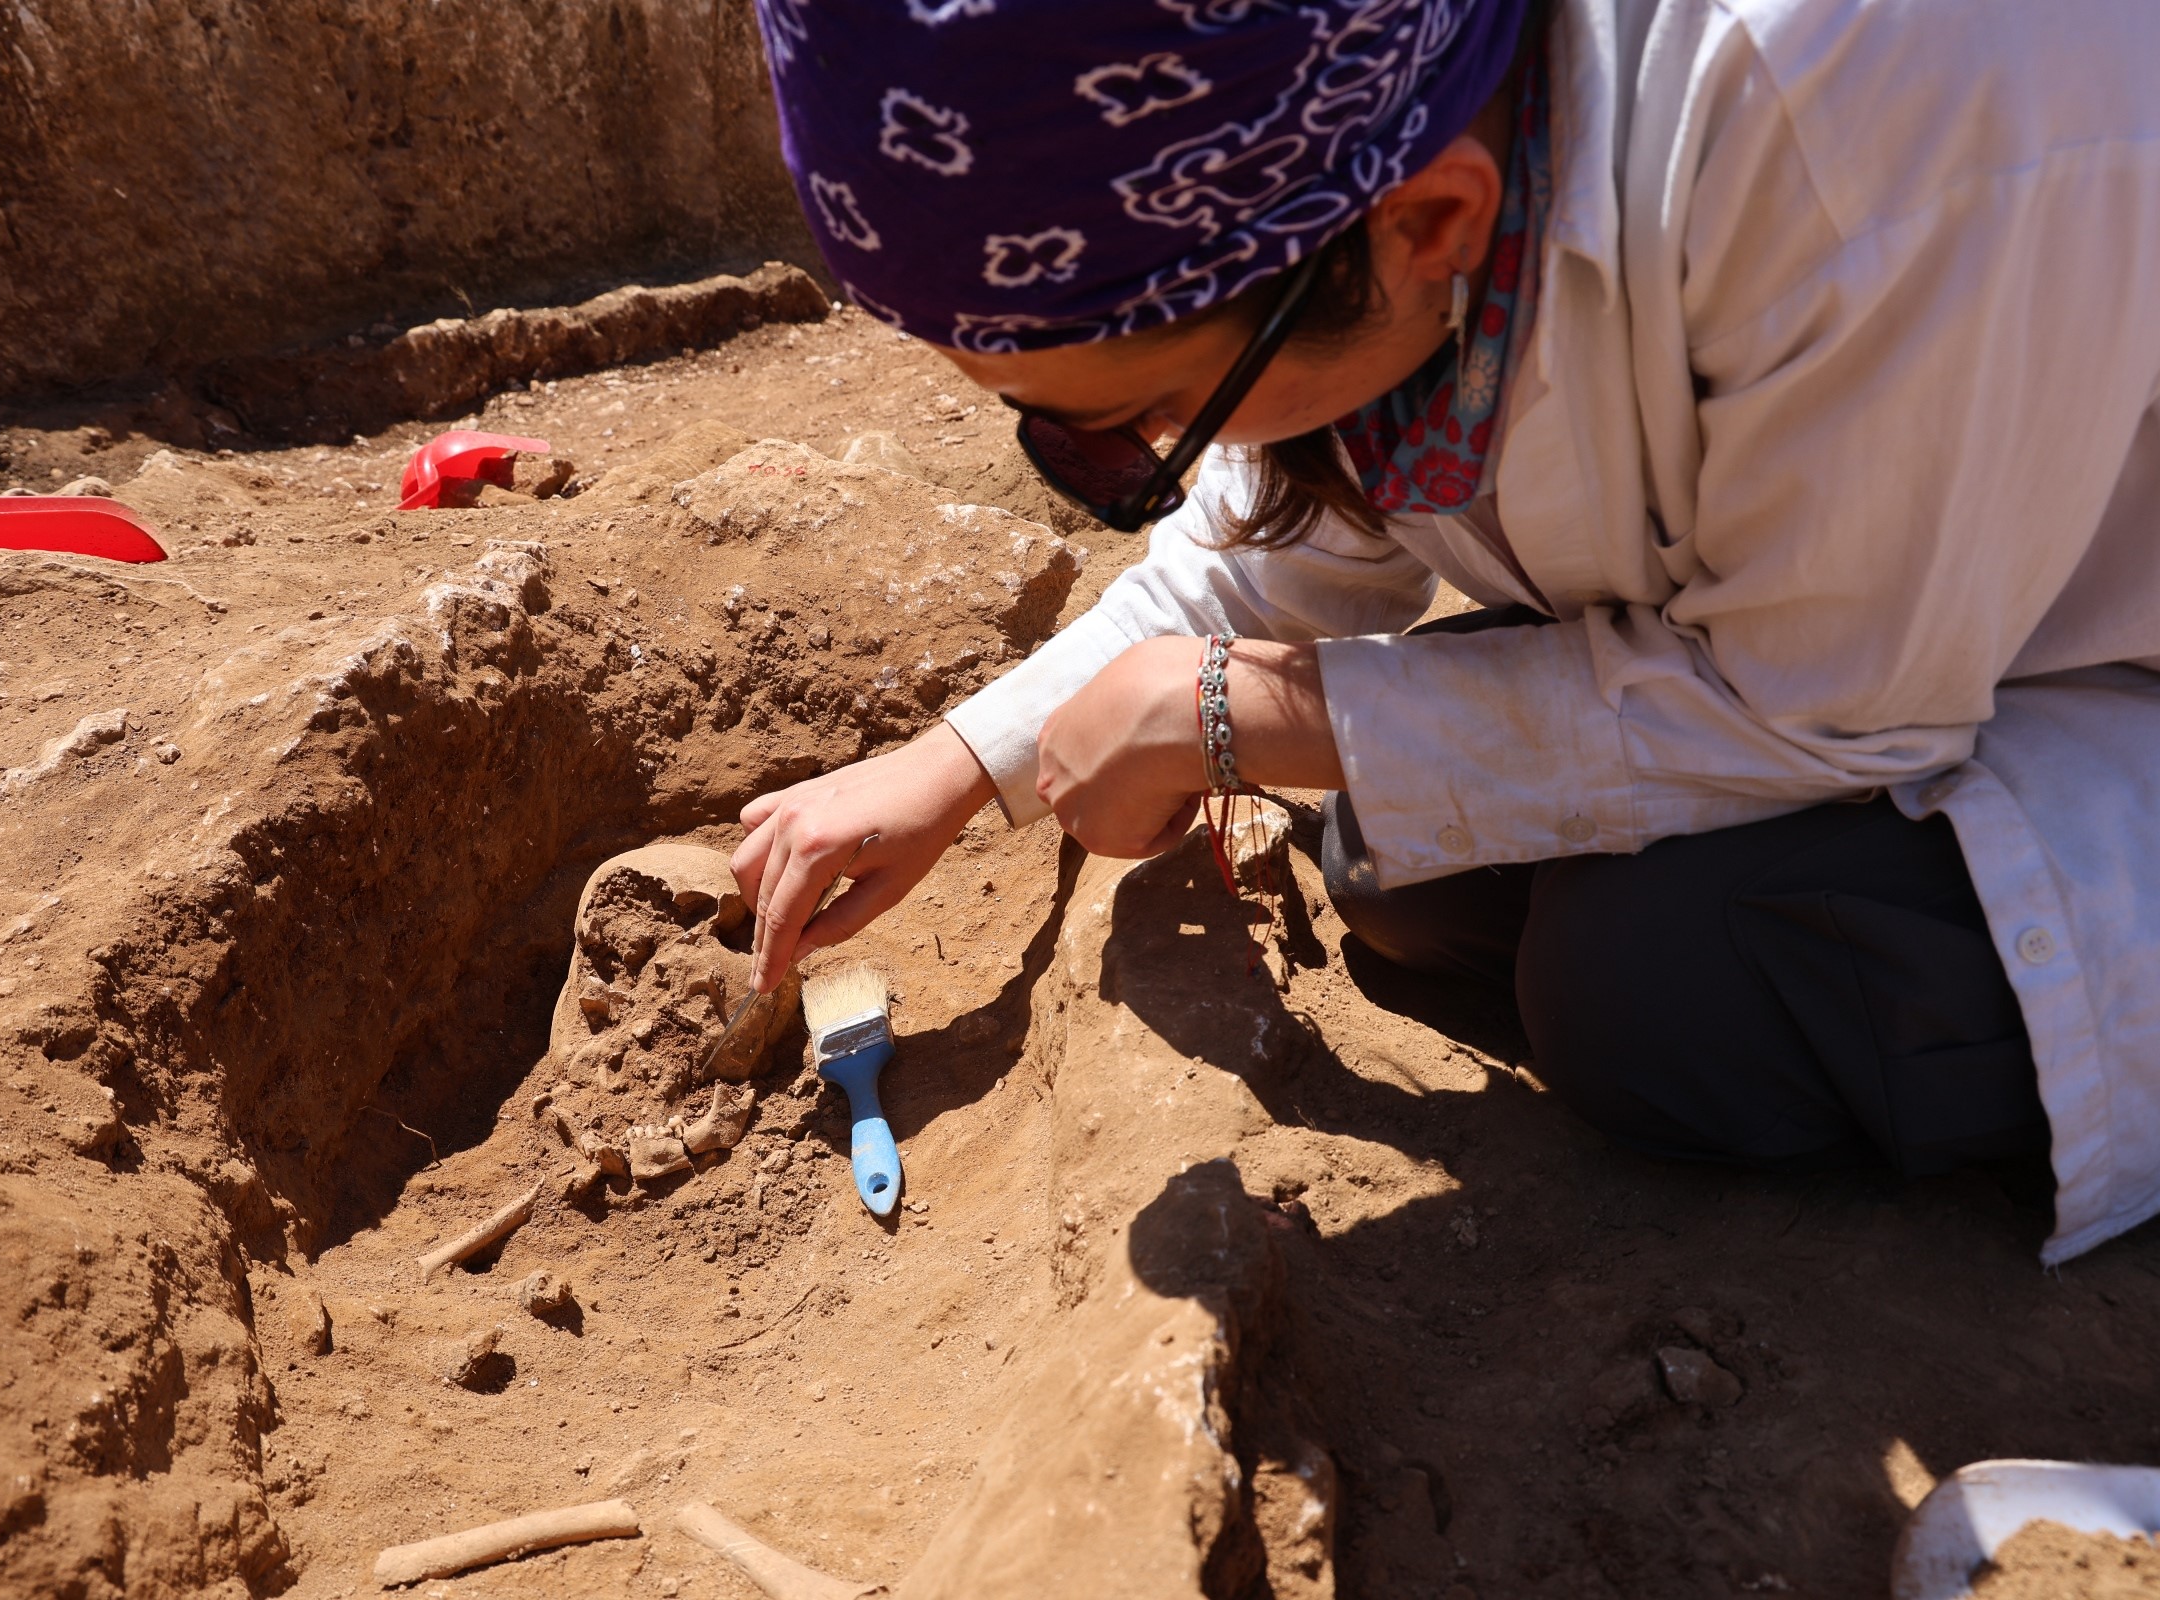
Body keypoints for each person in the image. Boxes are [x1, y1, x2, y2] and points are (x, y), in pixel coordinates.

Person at [729, 0, 2160, 1264]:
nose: (1133, 465)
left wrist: (1222, 716)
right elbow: (1267, 546)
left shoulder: (1873, 115)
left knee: (1653, 990)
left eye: (1137, 430)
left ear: (1428, 226)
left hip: (2085, 667)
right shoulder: (1376, 136)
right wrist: (944, 770)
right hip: (1903, 628)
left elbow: (1820, 703)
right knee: (1391, 865)